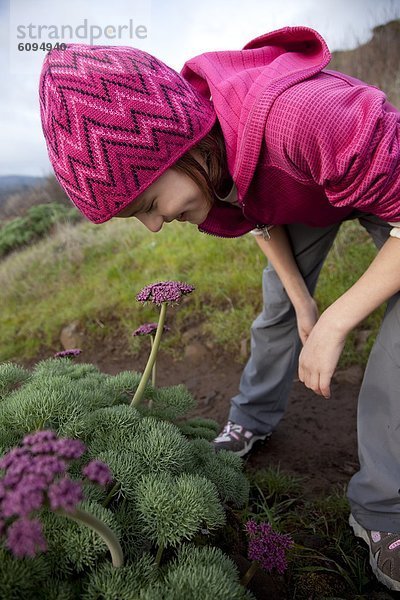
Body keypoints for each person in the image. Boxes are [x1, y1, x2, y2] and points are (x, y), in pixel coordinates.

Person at [39, 26, 400, 591]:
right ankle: (250, 421)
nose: (155, 226)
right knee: (279, 307)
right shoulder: (202, 182)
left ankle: (384, 511)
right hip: (291, 195)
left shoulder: (308, 117)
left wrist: (337, 319)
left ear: (183, 145)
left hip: (367, 177)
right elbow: (257, 218)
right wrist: (306, 304)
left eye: (149, 205)